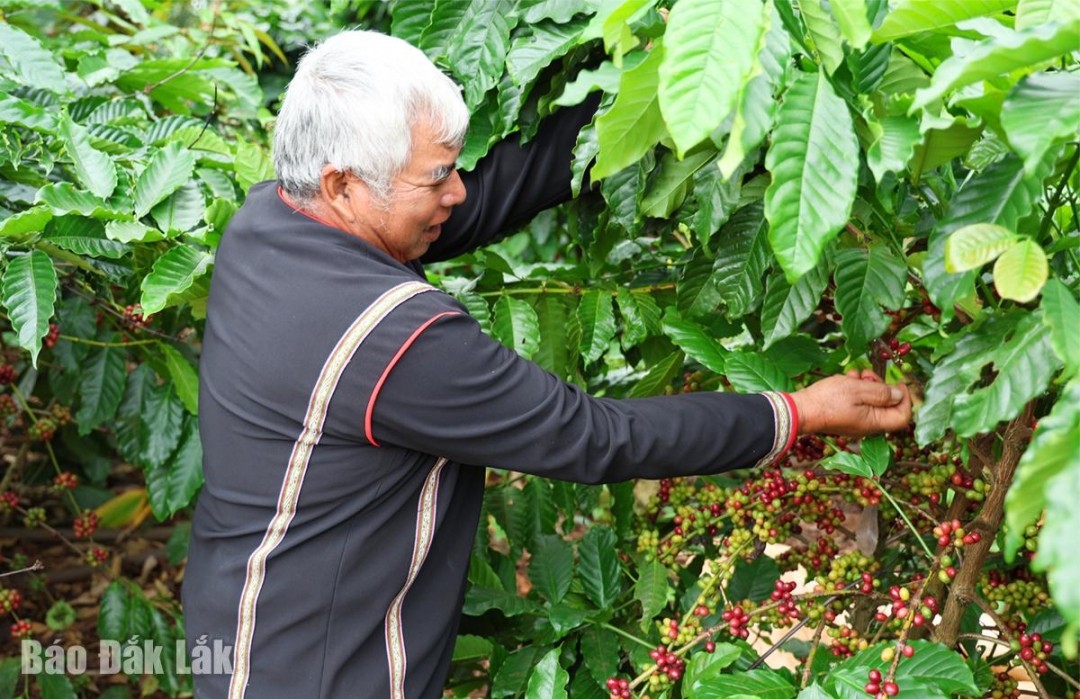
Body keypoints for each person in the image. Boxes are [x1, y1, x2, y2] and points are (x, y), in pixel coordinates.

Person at [182, 29, 912, 699]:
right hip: (319, 671)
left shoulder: (272, 219)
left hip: (238, 618)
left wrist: (675, 78)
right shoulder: (395, 340)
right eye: (435, 177)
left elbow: (484, 198)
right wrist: (798, 411)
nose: (456, 191)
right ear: (344, 184)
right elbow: (595, 437)